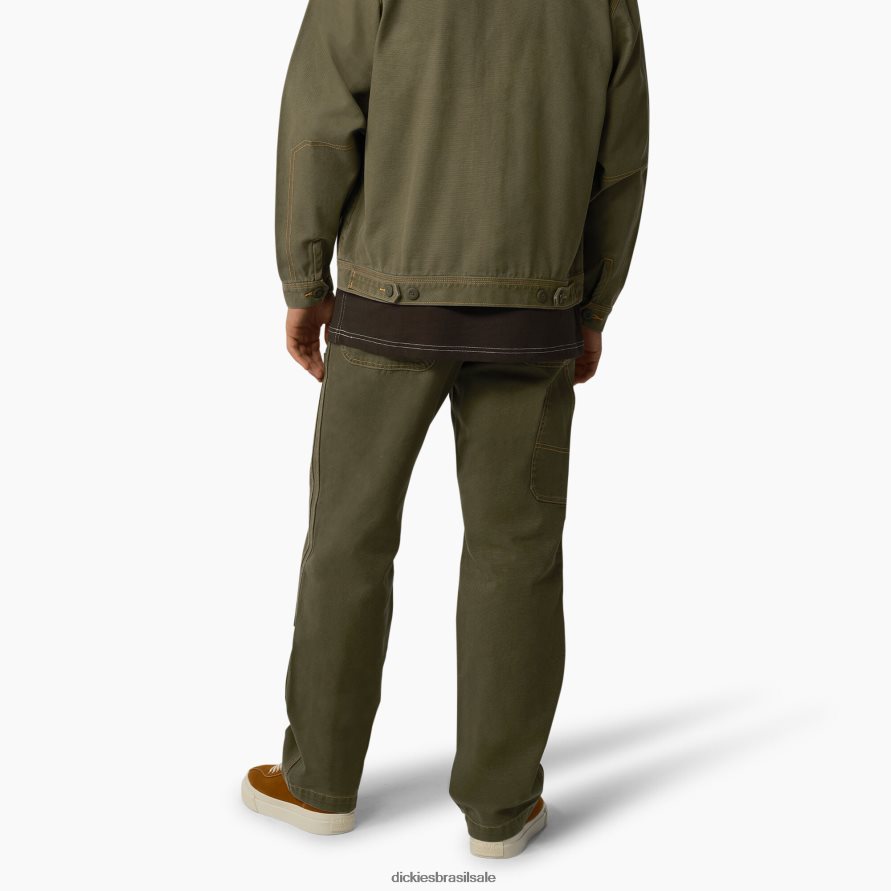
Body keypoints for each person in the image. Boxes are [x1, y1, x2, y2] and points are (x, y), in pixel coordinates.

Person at [242, 0, 648, 859]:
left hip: (387, 302)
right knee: (517, 554)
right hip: (535, 309)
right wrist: (592, 303)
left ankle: (318, 783)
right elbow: (620, 161)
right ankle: (501, 807)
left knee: (347, 541)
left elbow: (318, 122)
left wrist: (304, 279)